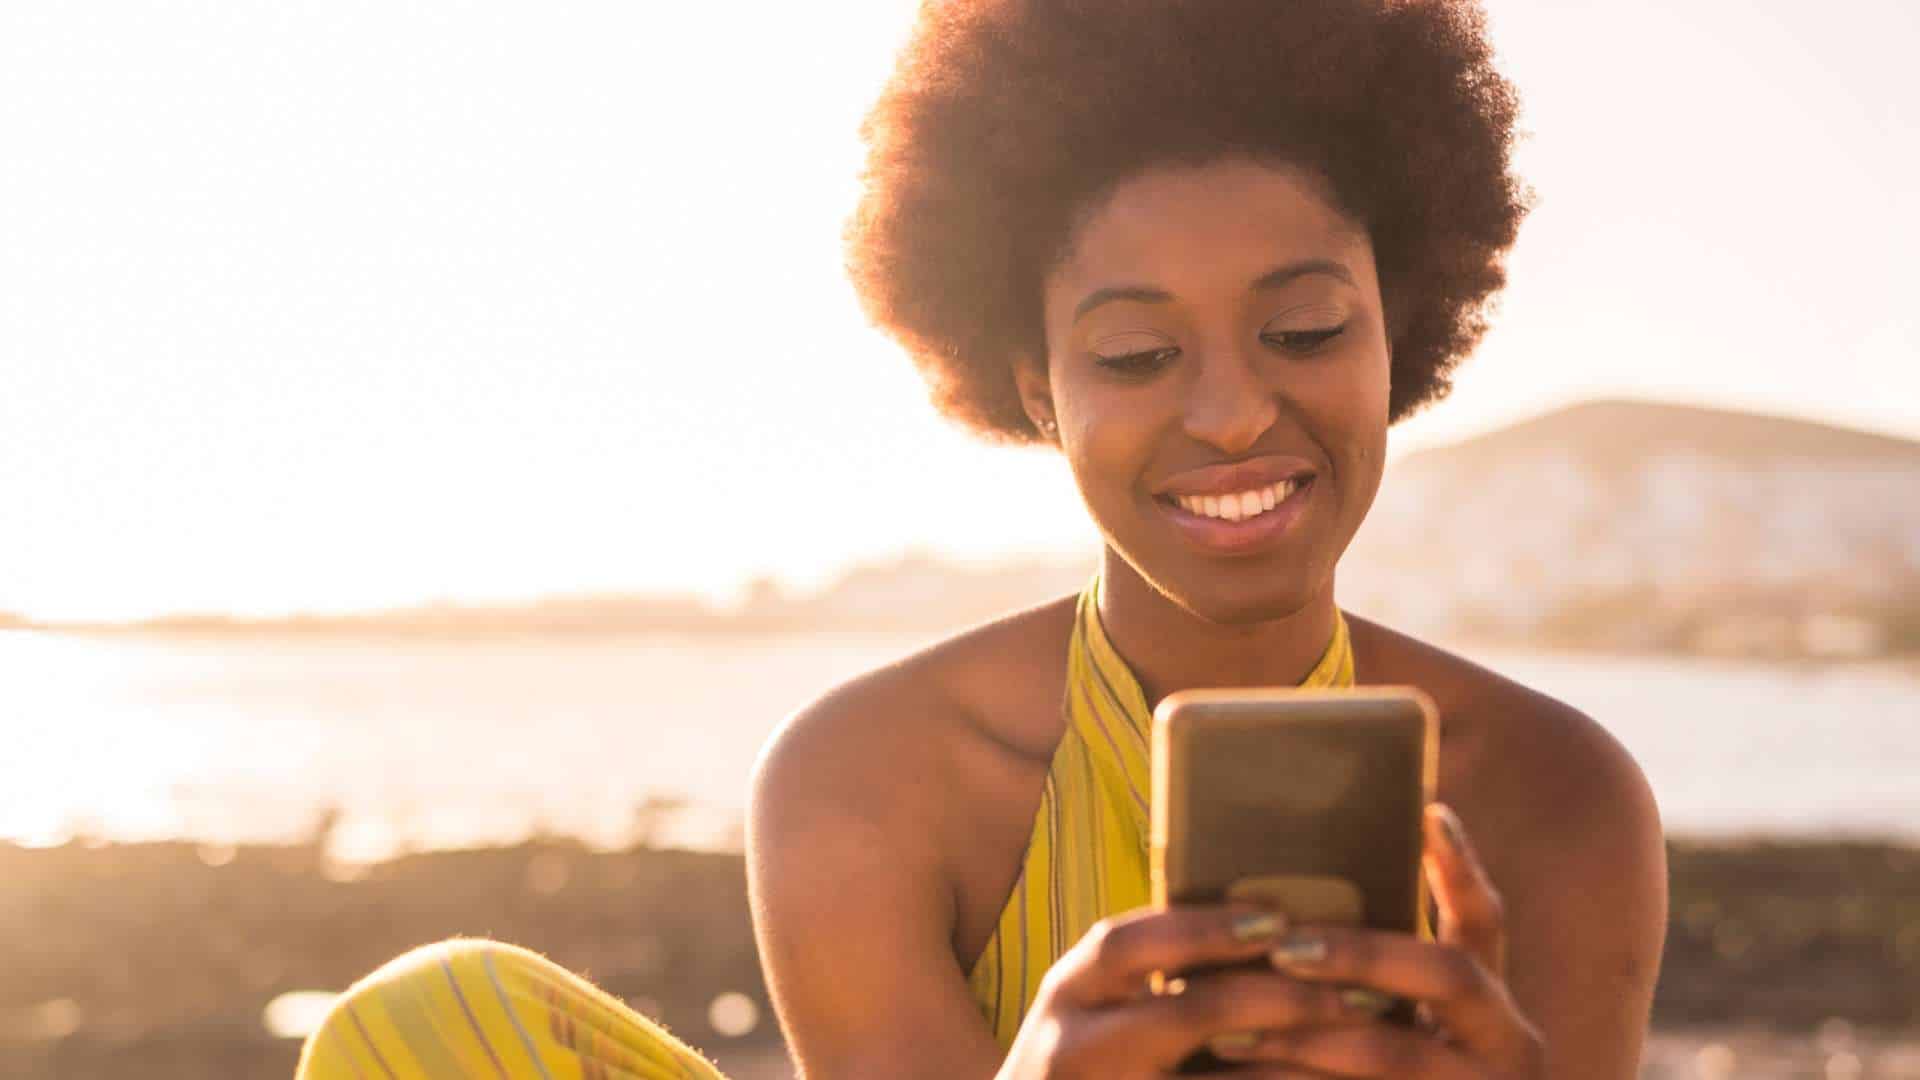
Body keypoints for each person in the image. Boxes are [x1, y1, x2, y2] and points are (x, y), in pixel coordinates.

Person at [298, 1, 1667, 1076]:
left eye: (1304, 331)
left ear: (1397, 339)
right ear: (1037, 390)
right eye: (1135, 355)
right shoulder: (868, 782)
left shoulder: (1560, 802)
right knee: (431, 1024)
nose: (1234, 414)